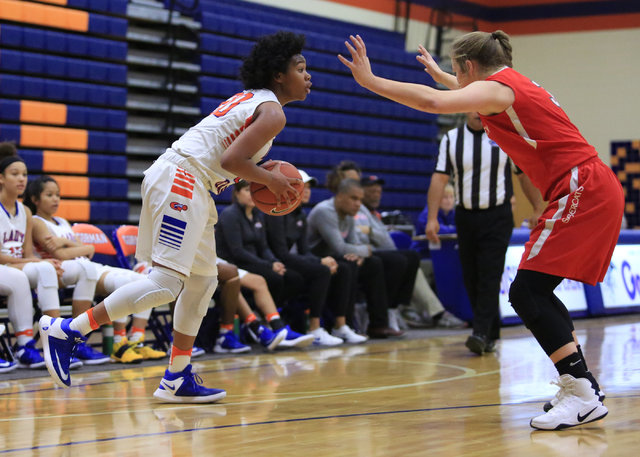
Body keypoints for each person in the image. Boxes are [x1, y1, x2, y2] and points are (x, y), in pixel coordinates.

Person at [339, 31, 622, 430]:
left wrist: (371, 82)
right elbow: (461, 90)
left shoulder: (500, 90)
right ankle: (582, 384)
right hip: (589, 185)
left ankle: (581, 393)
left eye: (457, 71)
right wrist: (443, 74)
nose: (457, 79)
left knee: (527, 292)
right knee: (536, 290)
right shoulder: (511, 83)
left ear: (470, 67)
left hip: (580, 187)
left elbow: (435, 102)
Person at [39, 31, 312, 403]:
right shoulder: (273, 111)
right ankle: (68, 330)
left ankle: (177, 375)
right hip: (184, 179)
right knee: (167, 282)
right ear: (279, 75)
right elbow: (233, 162)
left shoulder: (255, 101)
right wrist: (272, 179)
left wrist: (261, 176)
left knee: (202, 282)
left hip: (189, 181)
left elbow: (228, 161)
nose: (308, 76)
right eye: (300, 68)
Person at [427, 112, 542, 355]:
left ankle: (479, 332)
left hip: (497, 216)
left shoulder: (504, 136)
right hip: (465, 216)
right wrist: (432, 217)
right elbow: (439, 178)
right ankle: (491, 331)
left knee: (490, 274)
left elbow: (523, 174)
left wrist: (537, 207)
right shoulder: (451, 138)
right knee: (471, 276)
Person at [23, 175, 165, 365]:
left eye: (57, 195)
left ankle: (136, 341)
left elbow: (87, 250)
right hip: (65, 271)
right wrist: (79, 248)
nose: (56, 199)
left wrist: (67, 242)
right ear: (35, 199)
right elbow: (60, 254)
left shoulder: (62, 222)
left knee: (145, 281)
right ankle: (119, 343)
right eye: (49, 195)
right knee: (123, 283)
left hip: (86, 266)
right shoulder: (37, 221)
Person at [0, 146, 83, 370]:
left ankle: (54, 342)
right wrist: (37, 261)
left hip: (18, 265)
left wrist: (39, 262)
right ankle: (26, 344)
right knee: (25, 275)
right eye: (15, 174)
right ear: (1, 178)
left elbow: (27, 253)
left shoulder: (25, 212)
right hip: (4, 267)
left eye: (24, 175)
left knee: (47, 269)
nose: (21, 179)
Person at [265, 169, 367, 345]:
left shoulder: (300, 215)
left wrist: (326, 260)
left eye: (309, 188)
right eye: (301, 187)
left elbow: (305, 251)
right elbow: (281, 254)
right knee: (321, 270)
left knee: (342, 267)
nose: (307, 191)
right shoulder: (277, 213)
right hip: (276, 262)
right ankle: (314, 328)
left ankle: (340, 326)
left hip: (292, 260)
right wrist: (320, 261)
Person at [358, 174, 465, 330]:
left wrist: (371, 231)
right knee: (410, 264)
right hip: (410, 258)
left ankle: (413, 310)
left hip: (393, 258)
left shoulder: (375, 215)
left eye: (378, 191)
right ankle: (435, 313)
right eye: (371, 191)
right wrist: (375, 235)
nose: (376, 195)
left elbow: (386, 241)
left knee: (409, 261)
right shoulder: (358, 212)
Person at [216, 181, 315, 348]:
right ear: (237, 193)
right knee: (271, 277)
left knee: (290, 277)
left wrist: (273, 261)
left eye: (253, 191)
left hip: (252, 263)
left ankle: (273, 325)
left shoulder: (257, 214)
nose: (251, 194)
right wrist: (267, 265)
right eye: (247, 190)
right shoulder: (230, 215)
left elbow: (264, 247)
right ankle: (269, 324)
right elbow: (237, 251)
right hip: (234, 263)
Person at [307, 178, 403, 338]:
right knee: (349, 265)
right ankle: (345, 324)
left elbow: (354, 244)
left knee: (373, 264)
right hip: (316, 259)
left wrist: (361, 255)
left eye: (360, 199)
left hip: (336, 257)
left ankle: (378, 324)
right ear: (340, 196)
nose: (358, 204)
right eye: (354, 198)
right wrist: (365, 251)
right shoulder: (325, 211)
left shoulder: (349, 214)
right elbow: (340, 247)